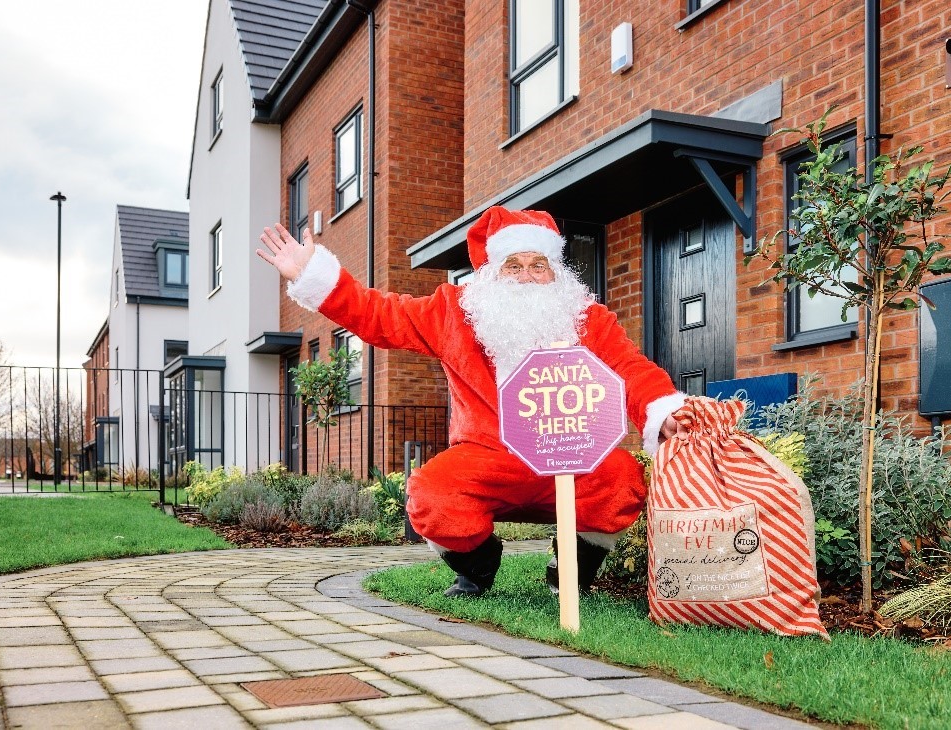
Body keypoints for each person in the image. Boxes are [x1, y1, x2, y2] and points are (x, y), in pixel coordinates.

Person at [257, 206, 686, 597]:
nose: (526, 275)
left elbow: (630, 368)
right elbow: (380, 315)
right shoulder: (454, 313)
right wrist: (313, 273)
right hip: (487, 458)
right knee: (431, 494)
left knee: (621, 477)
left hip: (571, 454)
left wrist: (662, 409)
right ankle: (477, 567)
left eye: (539, 265)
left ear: (555, 272)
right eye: (513, 265)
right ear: (491, 272)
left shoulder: (587, 317)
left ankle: (570, 573)